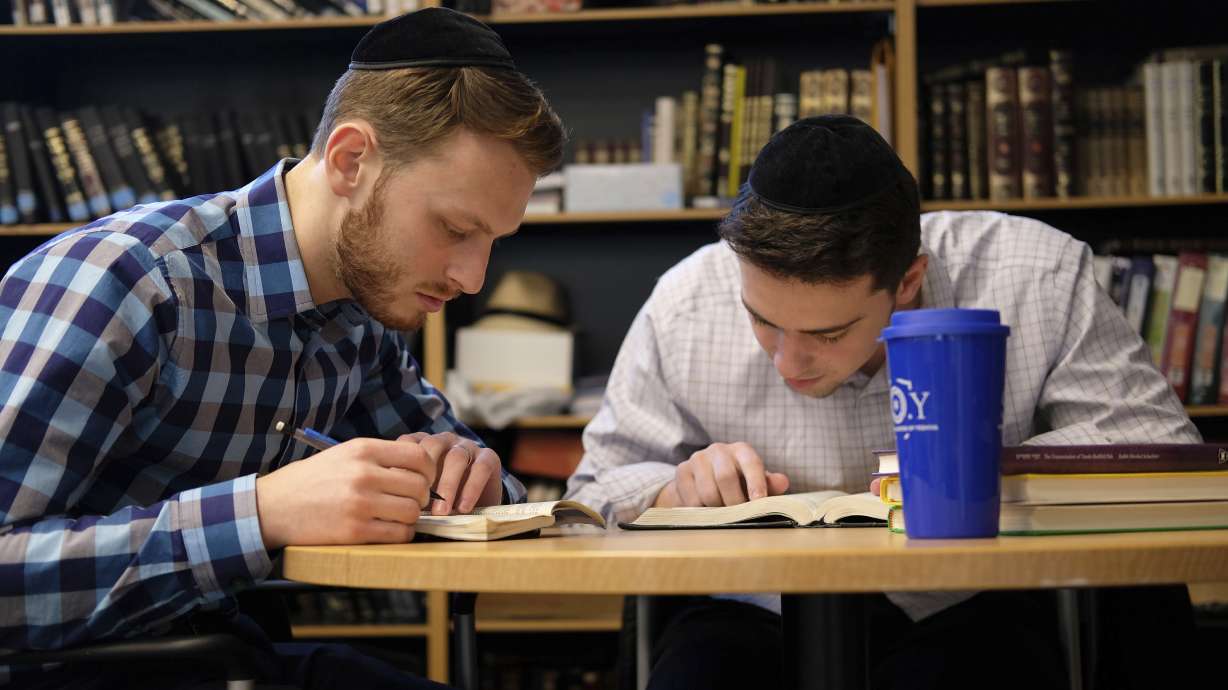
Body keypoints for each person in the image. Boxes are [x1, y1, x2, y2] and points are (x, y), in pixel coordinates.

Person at [0, 8, 564, 689]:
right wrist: (261, 513)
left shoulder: (366, 311)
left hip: (226, 658)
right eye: (453, 228)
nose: (471, 278)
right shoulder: (126, 283)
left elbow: (488, 490)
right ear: (351, 160)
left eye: (493, 243)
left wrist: (466, 473)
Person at [566, 114, 1203, 689]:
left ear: (907, 282)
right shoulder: (684, 302)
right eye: (762, 320)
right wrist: (673, 490)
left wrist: (986, 468)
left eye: (828, 332)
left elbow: (1166, 450)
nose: (787, 362)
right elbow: (591, 492)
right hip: (753, 615)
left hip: (971, 605)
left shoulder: (1037, 274)